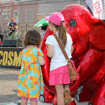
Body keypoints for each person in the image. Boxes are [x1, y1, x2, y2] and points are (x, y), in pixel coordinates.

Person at [45, 12, 74, 105]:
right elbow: (71, 50)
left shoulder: (51, 38)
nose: (48, 25)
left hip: (57, 68)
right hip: (67, 67)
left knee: (60, 93)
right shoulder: (68, 36)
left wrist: (47, 48)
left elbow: (50, 54)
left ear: (52, 25)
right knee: (66, 90)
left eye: (49, 23)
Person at [17, 30, 45, 105]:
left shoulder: (23, 51)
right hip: (33, 79)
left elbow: (21, 62)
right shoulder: (37, 51)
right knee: (33, 99)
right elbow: (42, 62)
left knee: (24, 98)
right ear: (38, 40)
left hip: (23, 78)